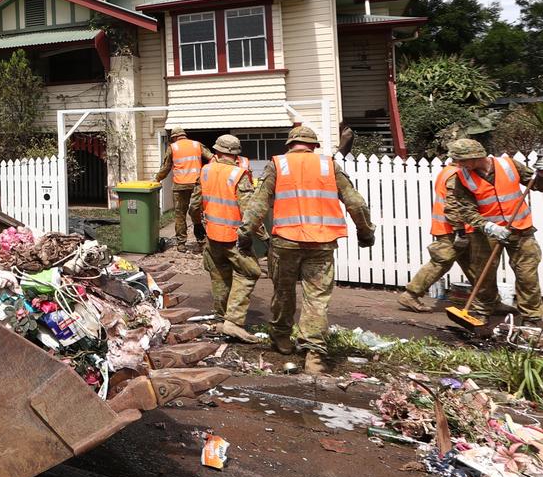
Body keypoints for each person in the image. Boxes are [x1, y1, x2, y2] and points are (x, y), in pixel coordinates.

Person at [241, 125, 374, 375]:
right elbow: (355, 201)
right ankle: (313, 353)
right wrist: (365, 231)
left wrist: (246, 233)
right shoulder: (328, 165)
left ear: (290, 145)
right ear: (313, 146)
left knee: (283, 292)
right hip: (321, 244)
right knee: (317, 299)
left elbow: (257, 203)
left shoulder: (278, 165)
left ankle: (281, 337)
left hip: (285, 242)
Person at [444, 139, 543, 324]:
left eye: (461, 160)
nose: (458, 164)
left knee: (527, 274)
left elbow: (537, 184)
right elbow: (466, 210)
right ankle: (482, 311)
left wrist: (542, 175)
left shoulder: (510, 165)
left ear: (474, 157)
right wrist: (490, 227)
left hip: (520, 228)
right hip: (484, 233)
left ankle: (532, 317)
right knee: (483, 274)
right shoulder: (461, 178)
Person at [189, 135, 262, 343]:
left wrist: (197, 226)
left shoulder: (205, 171)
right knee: (250, 272)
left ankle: (222, 318)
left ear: (218, 151)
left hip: (212, 234)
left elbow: (194, 204)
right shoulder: (239, 174)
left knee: (219, 275)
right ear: (236, 154)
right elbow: (249, 211)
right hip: (234, 237)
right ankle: (234, 321)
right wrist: (262, 236)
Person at [398, 160, 474, 312]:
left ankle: (490, 300)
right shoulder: (456, 174)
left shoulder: (449, 170)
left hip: (452, 227)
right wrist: (460, 231)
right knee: (441, 261)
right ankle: (411, 294)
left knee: (474, 264)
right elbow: (452, 205)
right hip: (452, 229)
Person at [155, 128, 213, 250]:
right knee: (195, 211)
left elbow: (166, 167)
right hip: (196, 183)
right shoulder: (196, 144)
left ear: (174, 137)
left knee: (180, 214)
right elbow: (212, 158)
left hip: (180, 185)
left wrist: (157, 179)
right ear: (184, 135)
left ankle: (181, 244)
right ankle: (201, 240)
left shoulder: (173, 147)